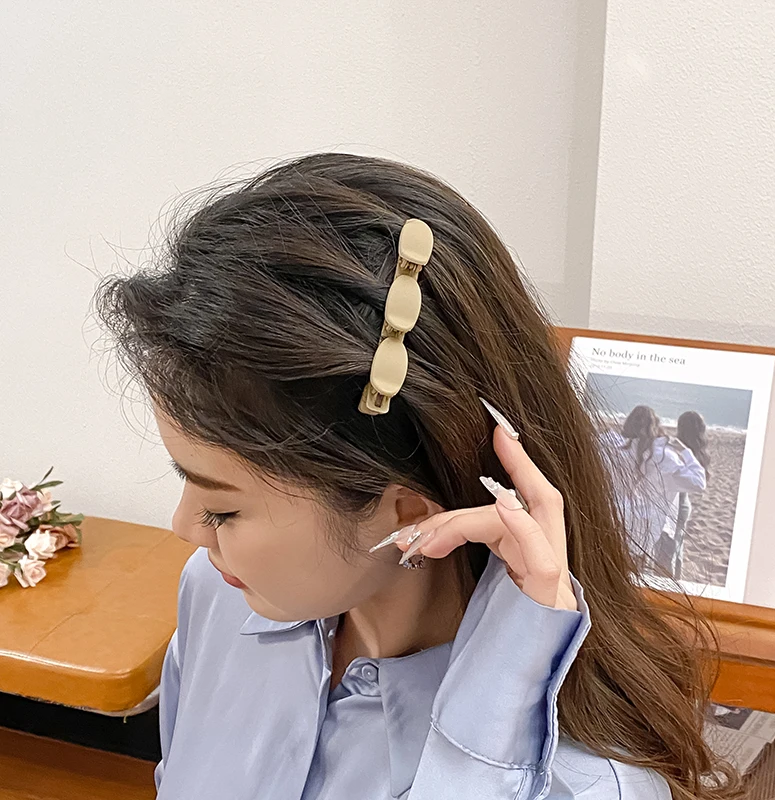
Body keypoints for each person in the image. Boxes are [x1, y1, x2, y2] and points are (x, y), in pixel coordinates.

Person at [94, 154, 740, 799]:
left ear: (407, 512)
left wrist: (481, 757)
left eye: (224, 510)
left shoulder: (589, 785)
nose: (185, 528)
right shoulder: (216, 596)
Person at [609, 406, 707, 575]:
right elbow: (699, 482)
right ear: (654, 427)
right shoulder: (664, 457)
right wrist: (685, 452)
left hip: (618, 519)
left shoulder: (613, 450)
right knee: (640, 572)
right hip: (648, 526)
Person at [665, 411, 711, 580]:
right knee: (678, 545)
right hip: (684, 505)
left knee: (669, 547)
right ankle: (676, 579)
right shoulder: (699, 451)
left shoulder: (677, 448)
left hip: (673, 503)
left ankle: (671, 582)